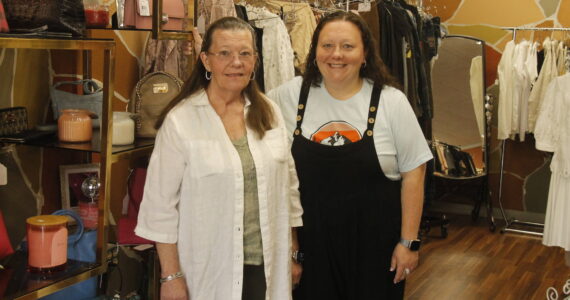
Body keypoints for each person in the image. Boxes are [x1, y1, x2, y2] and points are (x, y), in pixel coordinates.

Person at [268, 11, 433, 299]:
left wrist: (408, 243)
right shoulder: (286, 97)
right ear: (315, 51)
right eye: (327, 46)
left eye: (348, 46)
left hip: (376, 248)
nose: (336, 55)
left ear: (365, 53)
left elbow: (413, 175)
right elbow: (274, 173)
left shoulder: (391, 101)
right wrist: (288, 242)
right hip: (311, 248)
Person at [135, 17, 303, 300]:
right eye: (224, 53)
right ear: (206, 60)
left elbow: (288, 187)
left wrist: (292, 252)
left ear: (255, 60)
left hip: (267, 268)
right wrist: (171, 276)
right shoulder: (182, 121)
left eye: (244, 54)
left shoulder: (270, 113)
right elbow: (160, 207)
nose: (235, 62)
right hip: (208, 272)